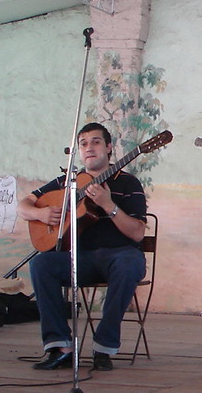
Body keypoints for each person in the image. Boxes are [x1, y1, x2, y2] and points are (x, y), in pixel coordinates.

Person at [17, 123, 148, 371]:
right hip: (80, 258)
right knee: (41, 264)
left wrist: (109, 205)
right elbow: (23, 206)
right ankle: (60, 347)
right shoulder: (67, 182)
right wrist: (42, 214)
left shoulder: (128, 183)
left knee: (130, 264)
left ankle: (104, 347)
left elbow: (138, 233)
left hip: (119, 256)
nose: (89, 148)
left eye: (96, 142)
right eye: (84, 143)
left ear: (109, 148)